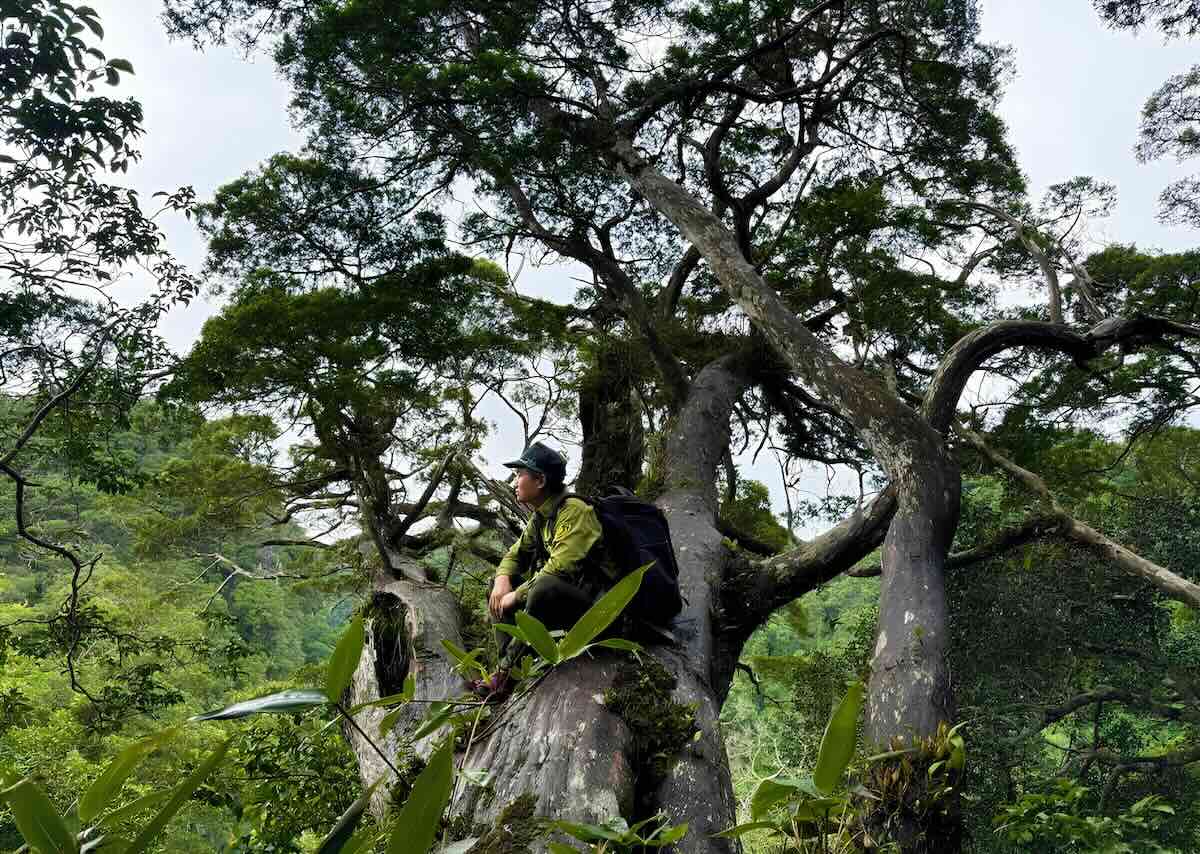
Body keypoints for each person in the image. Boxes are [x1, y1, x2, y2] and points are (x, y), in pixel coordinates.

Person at [474, 442, 615, 701]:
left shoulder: (575, 511)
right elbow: (515, 554)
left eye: (520, 475)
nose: (515, 481)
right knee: (497, 587)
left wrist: (515, 595)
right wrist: (502, 581)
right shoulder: (540, 518)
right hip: (565, 605)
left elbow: (561, 568)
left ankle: (506, 673)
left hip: (595, 608)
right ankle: (507, 670)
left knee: (544, 586)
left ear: (539, 480)